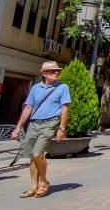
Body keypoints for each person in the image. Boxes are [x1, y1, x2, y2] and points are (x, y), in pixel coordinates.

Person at [11, 61, 71, 198]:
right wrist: (18, 127)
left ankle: (43, 182)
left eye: (57, 71)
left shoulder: (62, 87)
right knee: (32, 157)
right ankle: (33, 187)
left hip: (50, 123)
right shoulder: (35, 88)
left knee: (38, 154)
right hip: (34, 124)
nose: (56, 73)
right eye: (52, 71)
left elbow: (64, 108)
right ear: (44, 73)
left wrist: (61, 128)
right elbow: (28, 108)